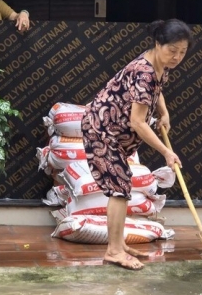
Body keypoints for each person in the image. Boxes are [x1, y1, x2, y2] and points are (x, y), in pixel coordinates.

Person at [81, 19, 193, 270]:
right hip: (102, 131)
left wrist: (164, 113)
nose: (176, 57)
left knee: (122, 186)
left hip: (115, 133)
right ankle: (113, 251)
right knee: (119, 188)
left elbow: (158, 90)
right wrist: (166, 152)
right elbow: (139, 123)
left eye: (182, 52)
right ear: (157, 43)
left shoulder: (158, 64)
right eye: (172, 50)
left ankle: (118, 244)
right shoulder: (144, 73)